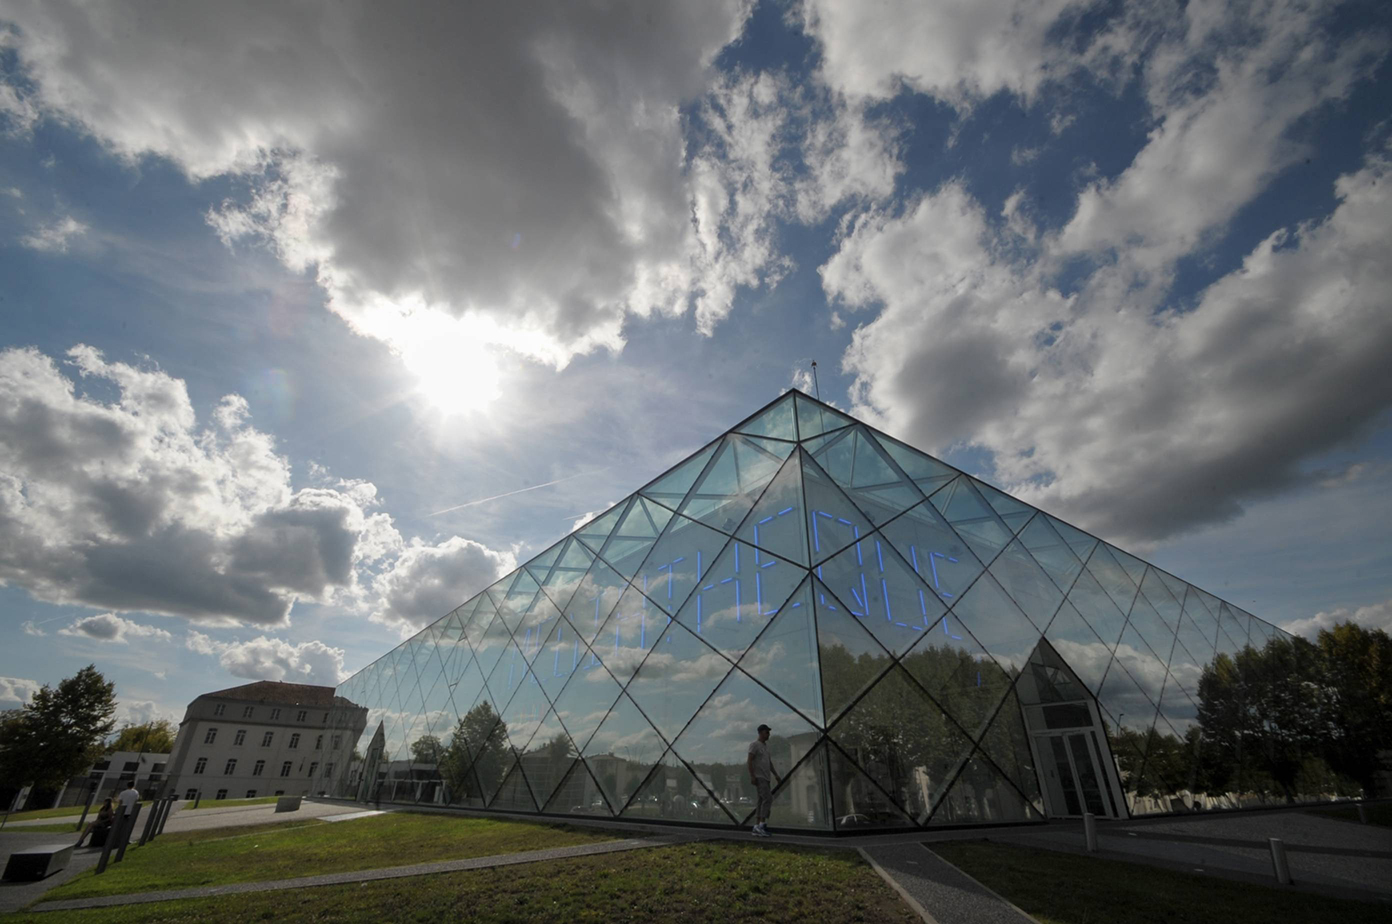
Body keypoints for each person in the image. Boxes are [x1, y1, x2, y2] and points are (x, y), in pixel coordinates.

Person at [746, 723, 780, 837]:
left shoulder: (765, 747)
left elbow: (769, 763)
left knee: (761, 801)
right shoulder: (754, 745)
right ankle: (762, 825)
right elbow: (749, 760)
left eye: (769, 732)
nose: (768, 734)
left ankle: (756, 826)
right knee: (768, 799)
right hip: (760, 777)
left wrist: (775, 774)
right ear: (760, 733)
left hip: (766, 777)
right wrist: (752, 776)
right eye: (767, 732)